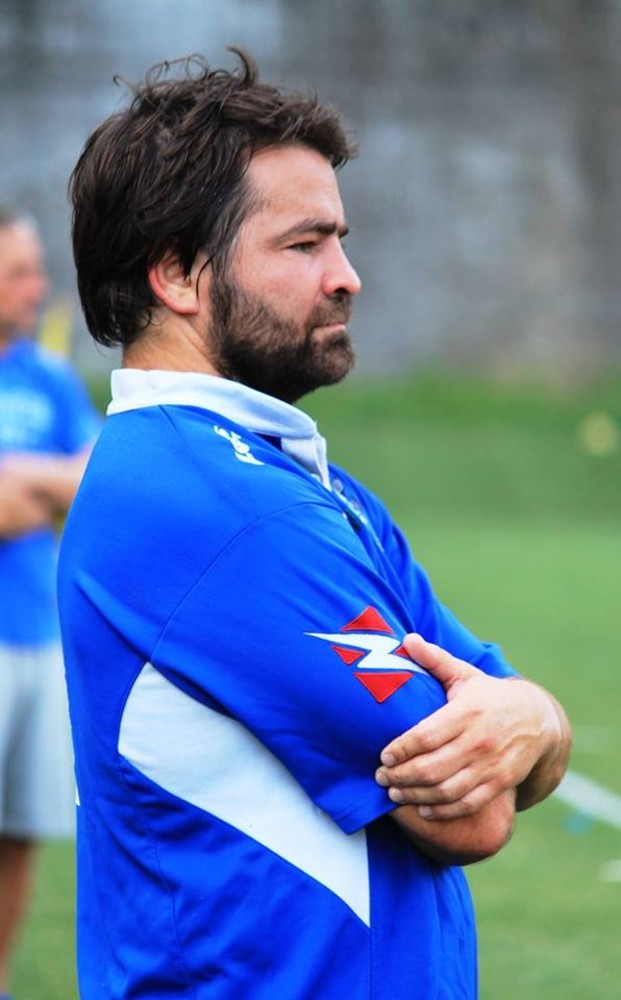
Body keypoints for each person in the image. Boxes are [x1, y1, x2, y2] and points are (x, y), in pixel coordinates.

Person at [58, 50, 571, 999]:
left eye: (339, 240)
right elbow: (472, 813)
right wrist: (524, 726)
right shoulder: (222, 508)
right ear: (175, 273)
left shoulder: (296, 484)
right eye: (304, 246)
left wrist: (531, 716)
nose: (348, 278)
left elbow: (500, 707)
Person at [0, 207, 101, 998]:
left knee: (21, 835)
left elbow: (99, 485)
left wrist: (23, 482)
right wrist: (54, 481)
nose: (39, 287)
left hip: (42, 637)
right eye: (19, 274)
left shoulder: (49, 376)